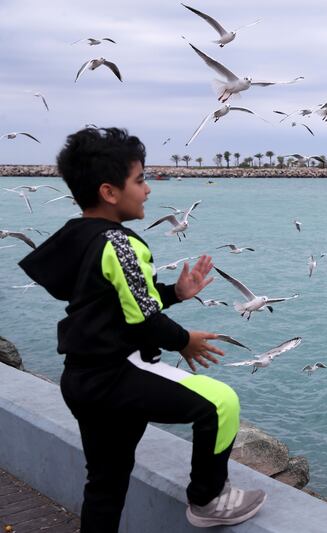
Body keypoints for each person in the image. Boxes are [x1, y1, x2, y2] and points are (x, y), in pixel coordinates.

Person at [18, 127, 267, 532]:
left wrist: (176, 292)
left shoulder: (77, 237)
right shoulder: (120, 244)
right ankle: (208, 498)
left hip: (81, 378)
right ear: (109, 192)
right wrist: (185, 340)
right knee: (221, 402)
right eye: (140, 180)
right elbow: (143, 319)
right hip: (116, 374)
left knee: (105, 484)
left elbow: (116, 301)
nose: (149, 190)